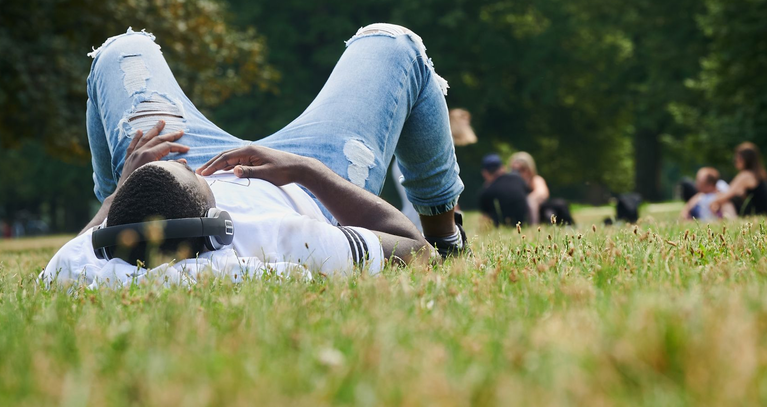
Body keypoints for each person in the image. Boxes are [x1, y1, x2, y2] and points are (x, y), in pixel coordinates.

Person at [42, 24, 467, 287]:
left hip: (161, 185)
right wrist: (307, 170)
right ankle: (448, 234)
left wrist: (122, 190)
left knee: (120, 50)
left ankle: (153, 173)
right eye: (191, 174)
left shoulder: (87, 260)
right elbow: (414, 251)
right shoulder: (283, 237)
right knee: (394, 45)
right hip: (301, 188)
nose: (187, 165)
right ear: (217, 225)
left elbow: (69, 256)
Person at [391, 108, 477, 231]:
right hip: (411, 166)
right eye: (465, 123)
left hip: (405, 164)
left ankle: (407, 233)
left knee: (413, 206)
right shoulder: (445, 138)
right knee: (414, 207)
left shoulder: (443, 135)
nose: (468, 126)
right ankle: (405, 233)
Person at [710, 142, 767, 218]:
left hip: (756, 214)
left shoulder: (746, 176)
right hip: (765, 212)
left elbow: (727, 195)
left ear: (745, 160)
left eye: (737, 158)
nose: (735, 161)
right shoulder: (759, 174)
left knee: (726, 202)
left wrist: (713, 201)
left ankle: (732, 221)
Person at [478, 154, 531, 227]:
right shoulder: (518, 179)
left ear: (485, 173)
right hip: (524, 223)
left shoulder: (485, 192)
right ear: (503, 168)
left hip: (501, 226)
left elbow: (485, 219)